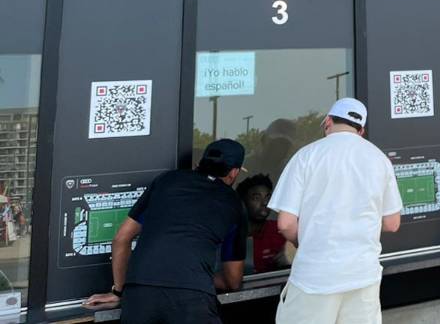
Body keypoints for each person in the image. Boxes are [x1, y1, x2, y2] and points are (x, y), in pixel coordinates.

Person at [82, 139, 248, 323]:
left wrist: (118, 291)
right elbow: (233, 281)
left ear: (198, 164)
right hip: (192, 299)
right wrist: (198, 273)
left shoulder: (167, 181)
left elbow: (122, 238)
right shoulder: (234, 204)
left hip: (139, 295)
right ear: (234, 173)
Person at [269, 98, 402, 324]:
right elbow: (392, 223)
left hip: (314, 278)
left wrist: (306, 240)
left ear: (327, 122)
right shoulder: (379, 159)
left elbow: (285, 223)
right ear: (361, 130)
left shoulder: (306, 156)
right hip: (363, 276)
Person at [237, 173, 289, 274]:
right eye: (257, 198)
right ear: (243, 202)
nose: (265, 202)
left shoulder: (280, 230)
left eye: (267, 197)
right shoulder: (232, 234)